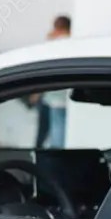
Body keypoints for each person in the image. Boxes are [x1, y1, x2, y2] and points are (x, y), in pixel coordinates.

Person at [31, 15, 71, 148]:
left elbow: (45, 68)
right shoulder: (74, 41)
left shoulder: (54, 43)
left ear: (57, 27)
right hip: (67, 96)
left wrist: (37, 91)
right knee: (61, 129)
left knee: (56, 130)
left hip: (55, 95)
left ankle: (53, 157)